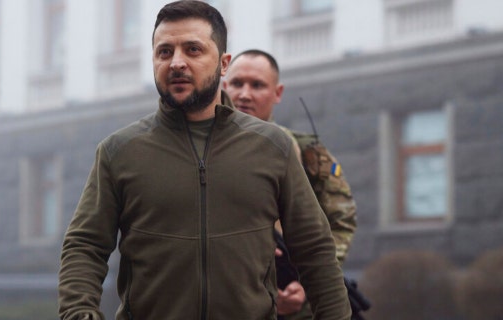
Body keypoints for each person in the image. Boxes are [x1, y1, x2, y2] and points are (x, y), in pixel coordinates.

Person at [58, 1, 351, 319]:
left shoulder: (272, 147)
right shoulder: (119, 151)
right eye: (165, 52)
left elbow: (314, 249)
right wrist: (79, 313)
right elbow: (85, 245)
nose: (176, 63)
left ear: (224, 64)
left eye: (193, 50)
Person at [223, 49, 358, 319]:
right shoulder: (200, 149)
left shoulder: (307, 152)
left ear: (277, 92)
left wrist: (307, 282)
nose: (245, 94)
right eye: (237, 83)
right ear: (224, 86)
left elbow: (341, 220)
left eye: (257, 85)